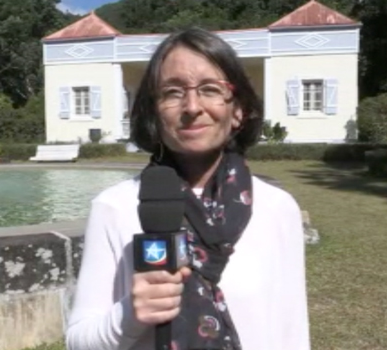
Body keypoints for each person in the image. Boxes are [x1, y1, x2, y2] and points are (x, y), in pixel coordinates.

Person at [66, 27, 310, 350]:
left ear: (237, 110)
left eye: (210, 89)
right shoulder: (114, 207)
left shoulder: (277, 208)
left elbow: (291, 332)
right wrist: (131, 315)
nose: (192, 106)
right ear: (154, 112)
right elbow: (78, 341)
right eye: (173, 92)